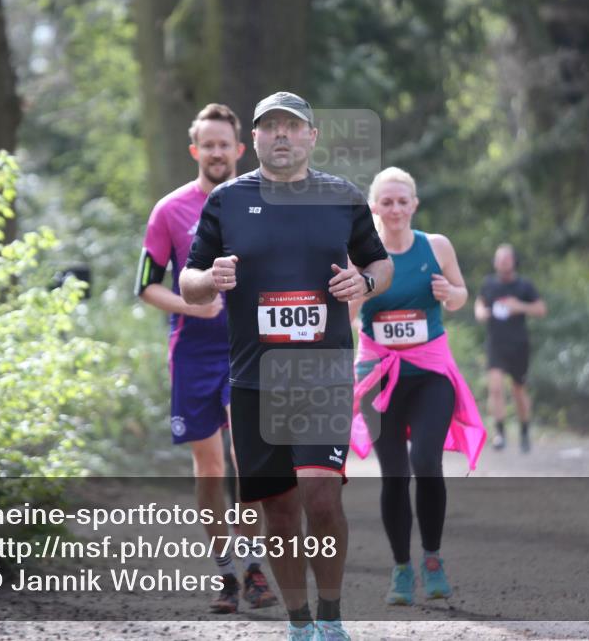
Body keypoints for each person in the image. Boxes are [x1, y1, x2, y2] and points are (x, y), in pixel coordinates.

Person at [181, 92, 393, 641]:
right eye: (270, 126)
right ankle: (299, 624)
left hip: (322, 375)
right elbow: (188, 279)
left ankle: (332, 618)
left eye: (292, 126)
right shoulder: (227, 201)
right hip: (254, 380)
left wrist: (365, 281)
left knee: (321, 497)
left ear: (311, 137)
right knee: (277, 510)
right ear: (254, 138)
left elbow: (379, 262)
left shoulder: (342, 197)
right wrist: (210, 279)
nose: (281, 135)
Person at [136, 103, 276, 613]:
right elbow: (146, 286)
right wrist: (191, 306)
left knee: (249, 459)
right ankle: (226, 575)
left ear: (239, 149)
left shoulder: (262, 202)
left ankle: (255, 567)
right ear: (195, 150)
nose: (217, 153)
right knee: (210, 467)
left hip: (249, 349)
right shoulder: (169, 210)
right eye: (208, 145)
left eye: (224, 145)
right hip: (194, 353)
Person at [348, 167, 486, 605]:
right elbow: (346, 315)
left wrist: (450, 293)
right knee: (394, 474)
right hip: (377, 374)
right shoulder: (360, 254)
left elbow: (461, 295)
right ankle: (402, 569)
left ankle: (432, 558)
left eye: (402, 201)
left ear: (414, 205)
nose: (394, 209)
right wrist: (360, 292)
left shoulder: (436, 246)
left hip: (429, 371)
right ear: (374, 207)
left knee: (426, 460)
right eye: (386, 202)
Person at [474, 244, 547, 453]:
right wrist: (480, 312)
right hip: (495, 343)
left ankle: (524, 431)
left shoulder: (524, 285)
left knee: (518, 390)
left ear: (514, 261)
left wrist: (519, 306)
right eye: (499, 259)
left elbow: (541, 309)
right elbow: (479, 303)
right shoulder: (489, 284)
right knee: (495, 388)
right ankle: (499, 433)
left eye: (506, 259)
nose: (502, 263)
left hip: (518, 345)